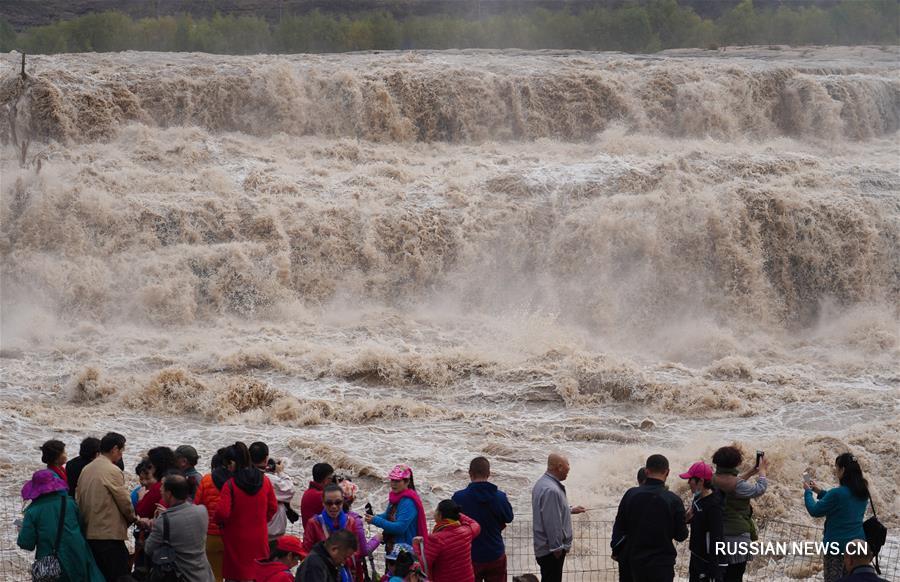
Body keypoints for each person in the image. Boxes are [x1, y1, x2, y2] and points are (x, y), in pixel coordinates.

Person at [76, 431, 143, 582]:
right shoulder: (112, 470)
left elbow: (78, 498)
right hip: (108, 534)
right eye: (121, 450)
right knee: (120, 575)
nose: (121, 454)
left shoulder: (87, 469)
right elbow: (124, 501)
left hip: (89, 532)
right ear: (114, 449)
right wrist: (134, 518)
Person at [611, 454, 688, 582]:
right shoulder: (673, 500)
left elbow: (619, 526)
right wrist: (684, 520)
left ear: (646, 471)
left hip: (632, 562)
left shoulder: (631, 494)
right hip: (661, 565)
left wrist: (616, 549)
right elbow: (681, 535)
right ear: (667, 472)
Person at [17, 469, 104, 582]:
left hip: (51, 562)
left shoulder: (32, 511)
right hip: (78, 554)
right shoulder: (69, 503)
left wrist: (21, 530)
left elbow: (26, 544)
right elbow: (82, 526)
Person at [214, 441, 277, 582]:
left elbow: (222, 513)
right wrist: (260, 520)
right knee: (258, 575)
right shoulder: (264, 480)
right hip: (259, 538)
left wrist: (221, 523)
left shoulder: (229, 485)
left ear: (232, 463)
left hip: (236, 541)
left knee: (236, 577)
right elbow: (273, 507)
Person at [805, 453, 870, 582]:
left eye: (836, 468)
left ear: (843, 470)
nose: (835, 471)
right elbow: (842, 501)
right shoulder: (863, 492)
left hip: (836, 547)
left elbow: (815, 510)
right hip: (857, 547)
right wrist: (818, 491)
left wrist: (807, 492)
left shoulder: (837, 494)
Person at [451, 456, 514, 582]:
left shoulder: (458, 498)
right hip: (495, 552)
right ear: (489, 473)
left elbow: (453, 525)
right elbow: (509, 517)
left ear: (470, 473)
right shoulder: (500, 497)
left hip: (470, 555)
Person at [711, 446, 768, 582]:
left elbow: (733, 482)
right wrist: (762, 472)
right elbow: (759, 489)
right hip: (737, 539)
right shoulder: (738, 485)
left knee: (719, 576)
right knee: (735, 576)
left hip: (717, 536)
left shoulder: (712, 479)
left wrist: (750, 472)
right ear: (737, 463)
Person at [144, 475, 214, 582]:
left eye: (162, 488)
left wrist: (154, 525)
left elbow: (148, 548)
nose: (160, 491)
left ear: (169, 493)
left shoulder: (163, 521)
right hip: (204, 575)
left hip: (181, 576)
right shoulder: (202, 511)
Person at [531, 453, 586, 582]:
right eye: (568, 469)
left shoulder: (543, 483)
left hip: (544, 548)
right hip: (551, 551)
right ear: (559, 467)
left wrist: (570, 509)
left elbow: (552, 510)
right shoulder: (552, 490)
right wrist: (557, 549)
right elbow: (552, 523)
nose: (568, 472)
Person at [365, 464, 429, 556]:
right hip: (393, 547)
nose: (393, 484)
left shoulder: (409, 502)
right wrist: (373, 517)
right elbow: (388, 515)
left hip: (405, 552)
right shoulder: (396, 497)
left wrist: (375, 520)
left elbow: (400, 528)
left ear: (407, 482)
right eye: (392, 480)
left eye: (397, 481)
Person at [413, 499, 481, 582]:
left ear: (440, 515)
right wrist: (457, 514)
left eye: (436, 510)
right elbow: (475, 524)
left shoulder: (436, 538)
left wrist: (416, 545)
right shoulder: (466, 531)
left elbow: (424, 564)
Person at [303, 483, 362, 579]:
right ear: (323, 502)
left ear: (343, 502)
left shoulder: (350, 522)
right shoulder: (314, 523)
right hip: (322, 573)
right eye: (329, 503)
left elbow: (356, 550)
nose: (334, 506)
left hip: (346, 573)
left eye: (338, 502)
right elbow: (306, 552)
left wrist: (343, 559)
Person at [681, 461, 726, 582]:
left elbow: (717, 536)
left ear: (700, 481)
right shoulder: (697, 498)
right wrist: (686, 518)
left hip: (708, 561)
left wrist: (714, 566)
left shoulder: (714, 506)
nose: (688, 482)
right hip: (696, 555)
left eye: (690, 479)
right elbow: (695, 519)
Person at [194, 448, 230, 582]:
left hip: (210, 535)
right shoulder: (236, 481)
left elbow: (197, 505)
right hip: (230, 536)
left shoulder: (207, 480)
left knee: (214, 575)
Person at [250, 441, 296, 543]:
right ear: (266, 458)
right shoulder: (269, 480)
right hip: (270, 533)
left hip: (252, 528)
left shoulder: (244, 476)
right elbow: (289, 491)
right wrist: (280, 472)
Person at [339, 477, 382, 575]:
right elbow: (364, 551)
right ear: (353, 498)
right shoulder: (355, 521)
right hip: (353, 568)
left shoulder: (331, 516)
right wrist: (377, 538)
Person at [136, 446, 178, 519]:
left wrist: (141, 498)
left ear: (157, 465)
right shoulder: (179, 478)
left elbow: (142, 512)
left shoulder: (159, 487)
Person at [301, 462, 335, 531]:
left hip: (310, 535)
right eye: (330, 478)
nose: (331, 481)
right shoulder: (320, 495)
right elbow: (341, 512)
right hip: (318, 538)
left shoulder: (308, 492)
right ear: (325, 480)